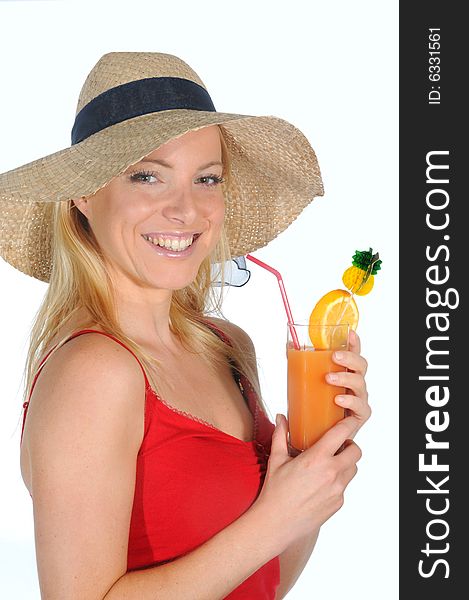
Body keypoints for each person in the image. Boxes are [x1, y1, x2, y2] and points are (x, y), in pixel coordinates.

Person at [0, 52, 370, 599]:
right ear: (82, 194)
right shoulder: (94, 371)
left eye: (207, 178)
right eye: (147, 176)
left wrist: (313, 478)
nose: (186, 210)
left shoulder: (226, 347)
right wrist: (273, 517)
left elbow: (260, 583)